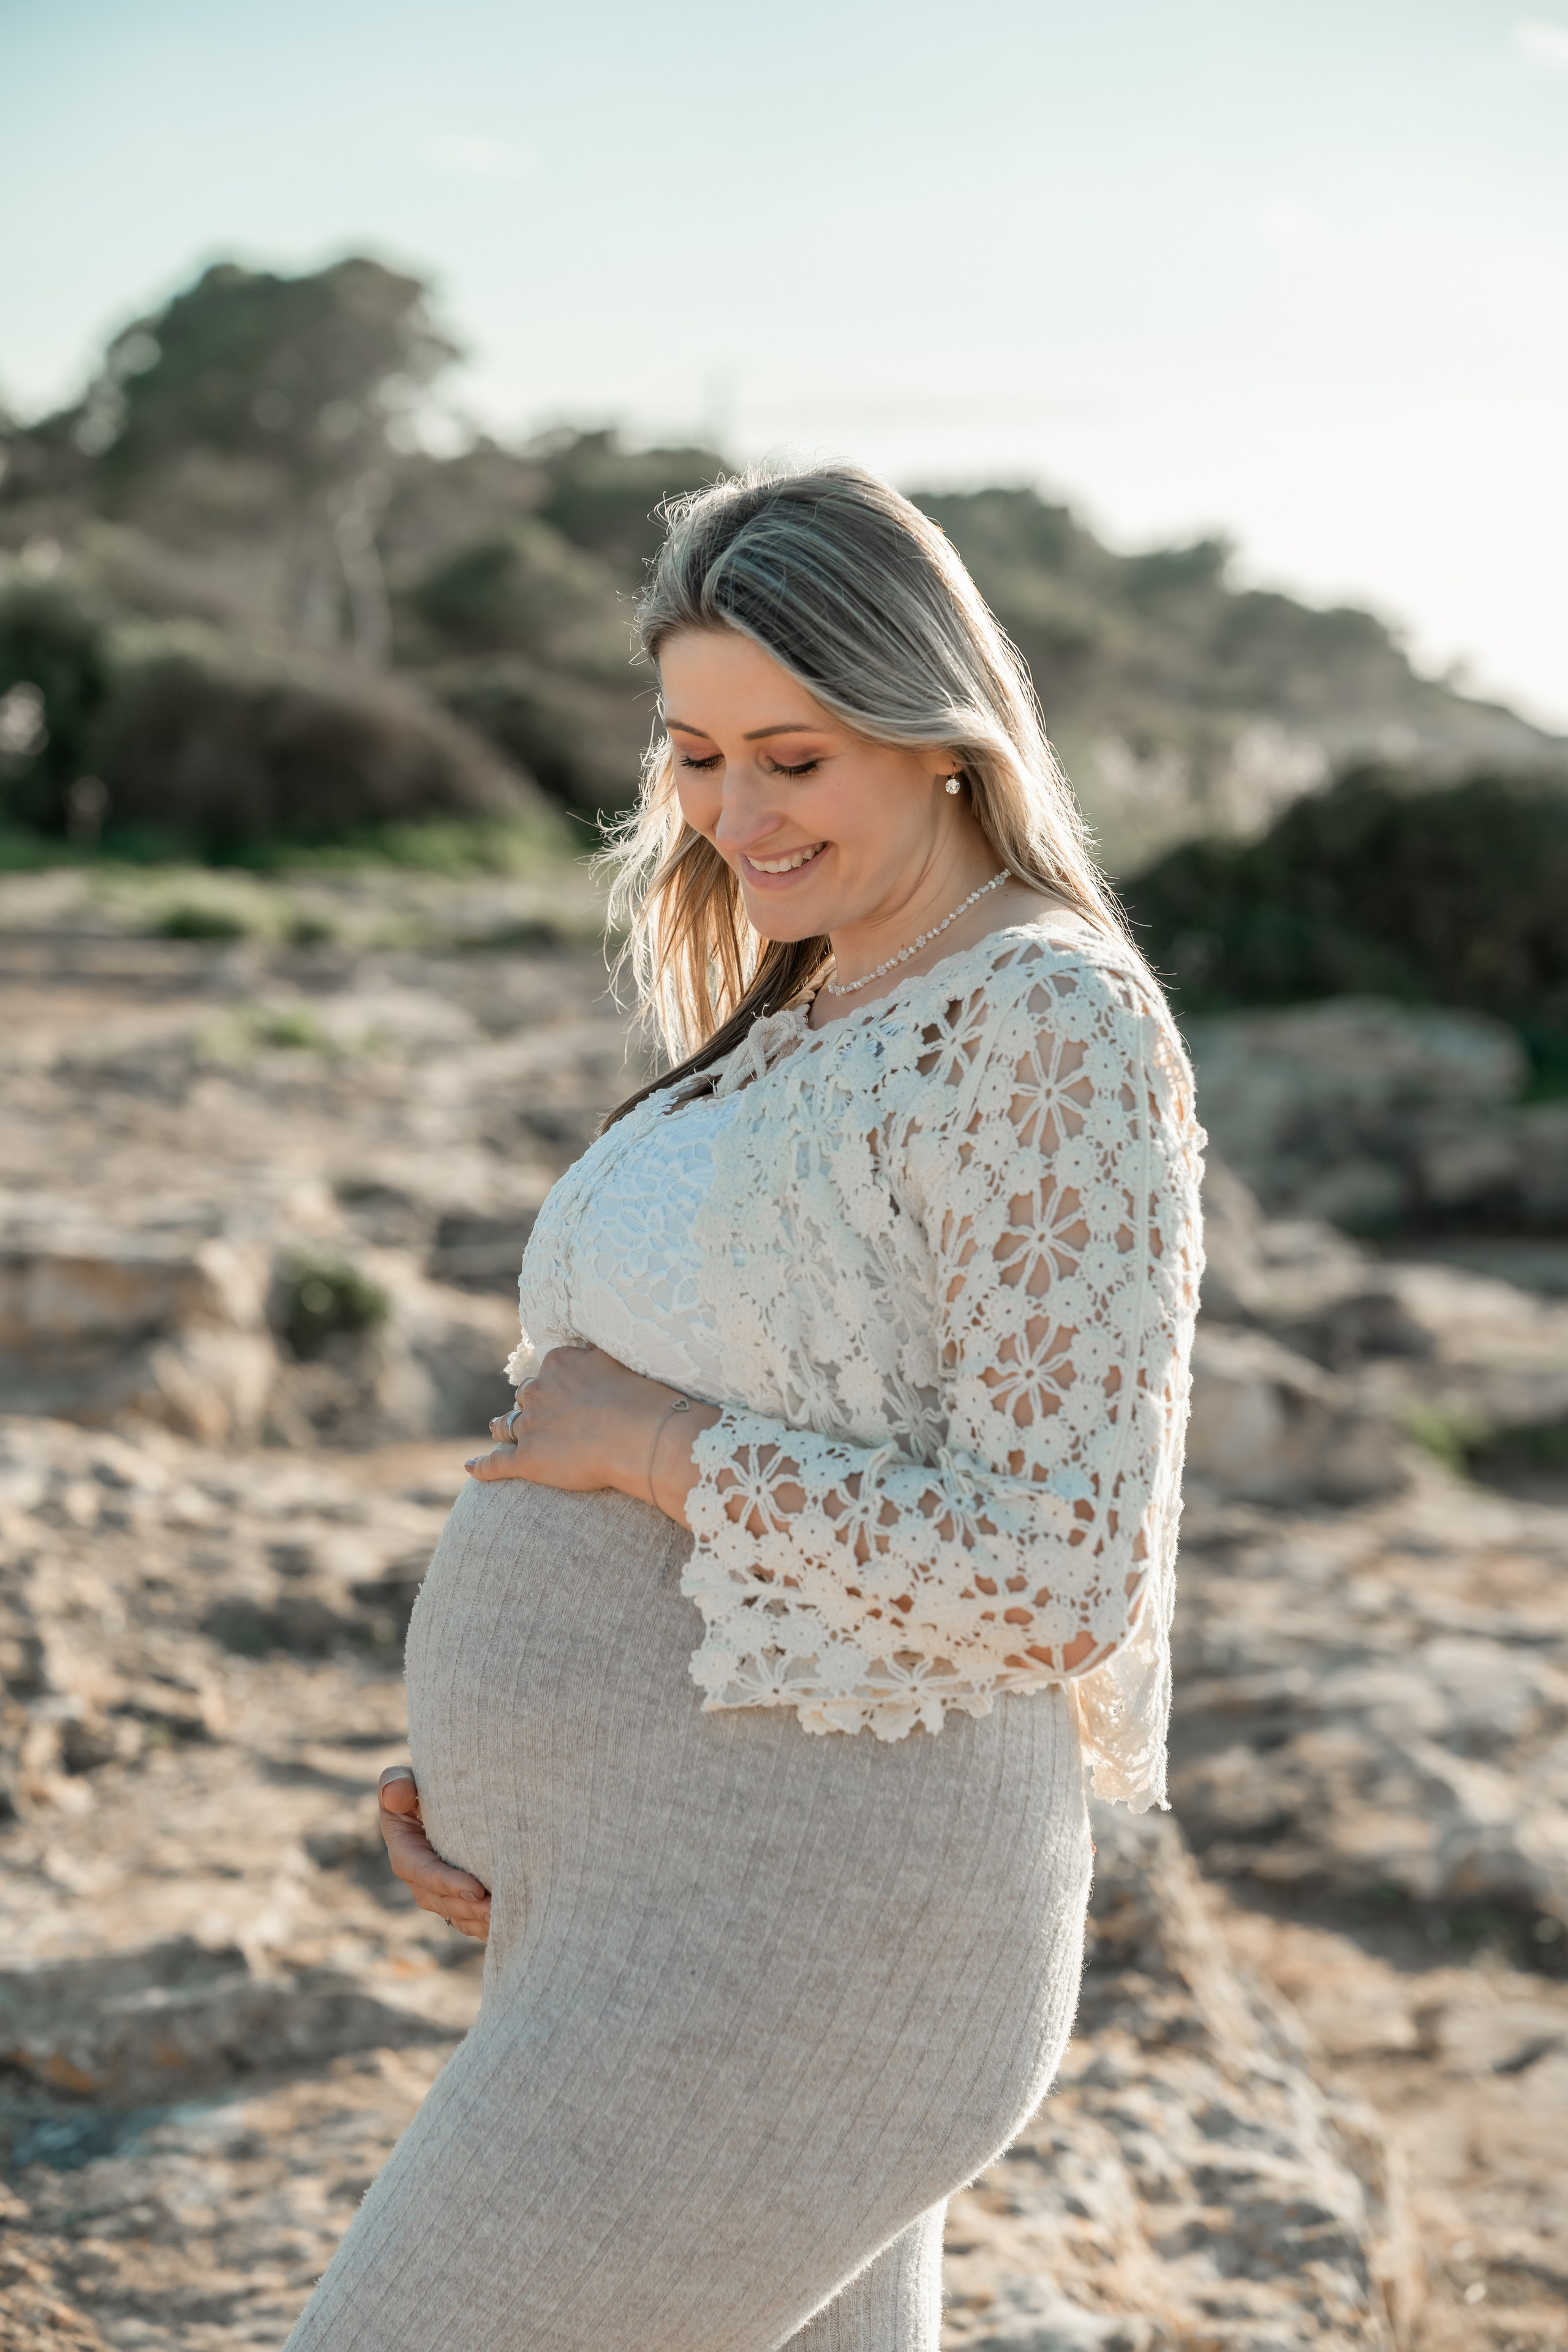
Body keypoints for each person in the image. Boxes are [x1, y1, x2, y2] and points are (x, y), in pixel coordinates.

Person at [284, 463, 1204, 2352]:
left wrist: (653, 1449)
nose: (730, 815)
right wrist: (520, 1809)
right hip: (658, 1910)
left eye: (794, 756)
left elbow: (1057, 1570)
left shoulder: (1047, 1022)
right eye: (696, 755)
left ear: (940, 735)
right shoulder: (814, 1011)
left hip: (816, 1936)